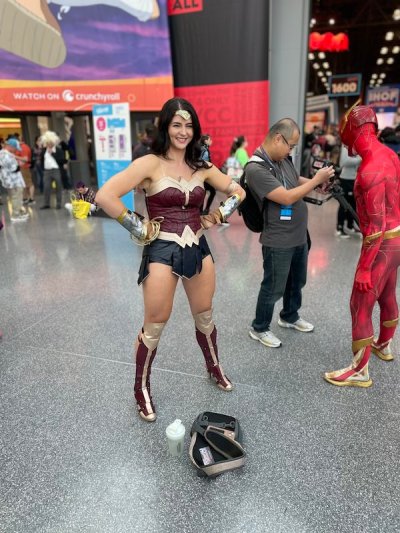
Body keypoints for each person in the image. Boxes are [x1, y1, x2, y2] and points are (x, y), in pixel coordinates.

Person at [95, 97, 245, 422]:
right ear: (165, 126)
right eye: (177, 124)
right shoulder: (149, 163)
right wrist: (139, 227)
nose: (183, 131)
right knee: (155, 324)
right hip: (162, 250)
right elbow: (105, 195)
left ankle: (214, 366)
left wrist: (218, 215)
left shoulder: (202, 166)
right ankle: (141, 388)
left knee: (205, 316)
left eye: (189, 125)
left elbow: (239, 191)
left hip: (198, 248)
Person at [324, 103, 400, 388]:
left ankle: (359, 370)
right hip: (396, 238)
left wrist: (365, 268)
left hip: (382, 244)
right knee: (387, 293)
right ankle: (384, 345)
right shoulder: (390, 155)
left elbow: (376, 227)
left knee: (360, 303)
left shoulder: (370, 169)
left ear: (353, 130)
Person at [246, 118, 334, 348]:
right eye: (291, 146)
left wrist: (316, 184)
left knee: (297, 281)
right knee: (273, 286)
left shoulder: (282, 159)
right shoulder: (255, 169)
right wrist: (316, 179)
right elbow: (285, 197)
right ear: (278, 138)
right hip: (278, 239)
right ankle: (259, 327)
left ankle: (289, 316)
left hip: (298, 234)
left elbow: (294, 180)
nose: (291, 151)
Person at [335, 144, 361, 238]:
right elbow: (344, 161)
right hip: (346, 179)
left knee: (353, 203)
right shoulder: (346, 145)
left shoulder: (357, 144)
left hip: (355, 178)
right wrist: (360, 158)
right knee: (344, 204)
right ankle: (340, 228)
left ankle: (350, 225)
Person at [0, 138, 29, 222]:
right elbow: (13, 168)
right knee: (16, 196)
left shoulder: (5, 153)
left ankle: (18, 211)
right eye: (15, 148)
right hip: (12, 180)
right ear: (10, 146)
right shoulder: (5, 154)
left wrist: (17, 163)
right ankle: (15, 215)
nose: (16, 150)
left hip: (11, 180)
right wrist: (19, 164)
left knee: (15, 196)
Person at [39, 131, 66, 210]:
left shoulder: (58, 150)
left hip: (56, 170)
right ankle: (46, 203)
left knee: (58, 186)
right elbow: (41, 160)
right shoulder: (44, 151)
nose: (49, 144)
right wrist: (43, 169)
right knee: (46, 187)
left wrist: (53, 154)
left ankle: (58, 203)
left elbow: (63, 160)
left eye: (50, 143)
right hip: (47, 171)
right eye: (47, 143)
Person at [200, 134, 216, 215]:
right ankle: (205, 210)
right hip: (204, 176)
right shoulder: (205, 151)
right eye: (210, 140)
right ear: (206, 141)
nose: (211, 141)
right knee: (212, 191)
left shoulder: (201, 148)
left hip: (201, 176)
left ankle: (202, 211)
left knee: (203, 193)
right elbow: (204, 163)